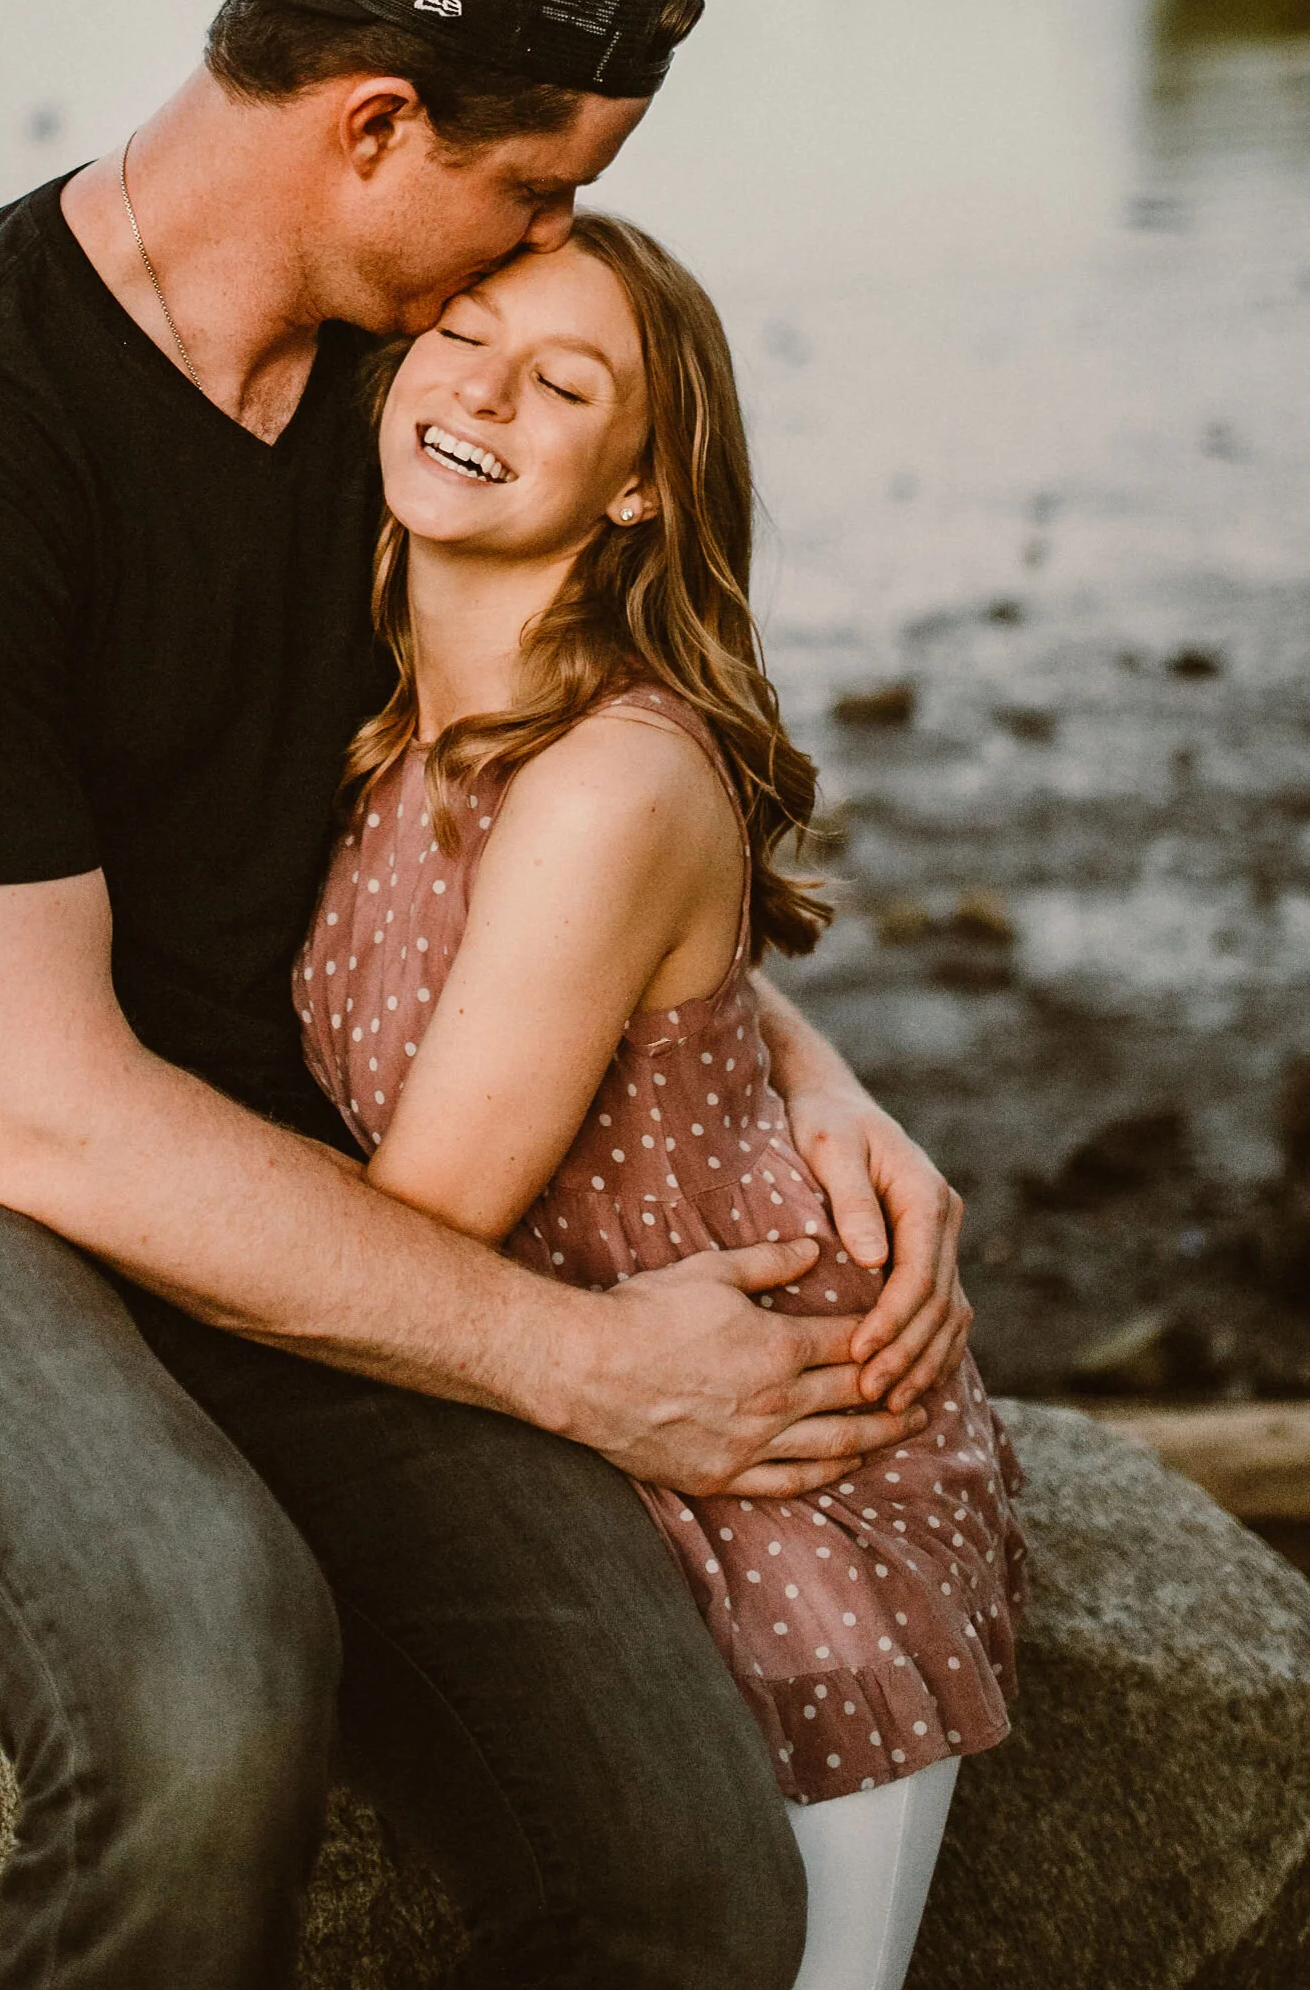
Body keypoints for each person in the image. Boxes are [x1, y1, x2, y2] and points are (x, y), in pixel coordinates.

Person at [0, 0, 972, 1990]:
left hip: (300, 1157)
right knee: (198, 1677)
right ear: (370, 126)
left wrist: (794, 1065)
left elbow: (564, 794)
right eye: (536, 184)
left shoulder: (412, 388)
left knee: (686, 1868)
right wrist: (575, 1366)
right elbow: (35, 1107)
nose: (541, 256)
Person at [293, 218, 1026, 1990]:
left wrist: (20, 1088)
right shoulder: (391, 706)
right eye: (459, 335)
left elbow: (418, 1232)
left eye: (563, 383)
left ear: (636, 487)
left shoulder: (606, 777)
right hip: (572, 1400)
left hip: (773, 1456)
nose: (481, 388)